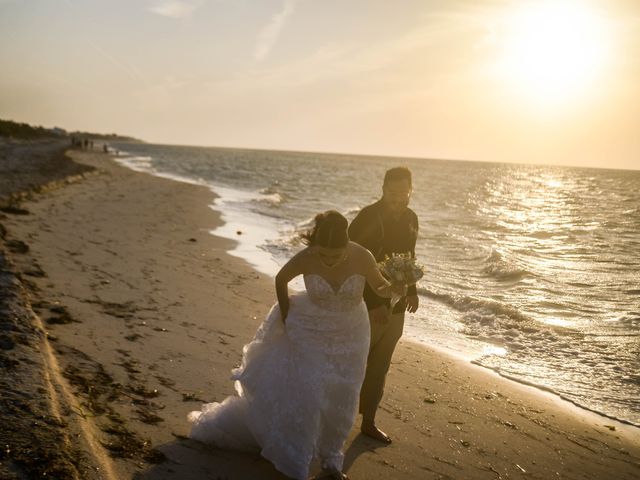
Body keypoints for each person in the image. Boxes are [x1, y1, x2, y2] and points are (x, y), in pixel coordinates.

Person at [188, 210, 404, 480]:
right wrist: (287, 312)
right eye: (322, 254)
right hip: (310, 328)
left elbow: (381, 287)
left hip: (351, 332)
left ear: (346, 245)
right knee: (311, 390)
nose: (327, 260)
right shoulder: (307, 256)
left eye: (334, 255)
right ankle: (297, 461)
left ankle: (331, 462)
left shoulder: (362, 256)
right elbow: (281, 279)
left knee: (343, 394)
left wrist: (398, 286)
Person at [348, 166, 420, 444]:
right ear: (383, 189)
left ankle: (369, 422)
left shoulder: (412, 218)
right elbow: (353, 259)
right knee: (354, 363)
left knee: (381, 364)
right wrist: (375, 301)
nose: (398, 198)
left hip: (397, 303)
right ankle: (334, 418)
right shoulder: (368, 216)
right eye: (393, 192)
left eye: (404, 192)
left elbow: (410, 256)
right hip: (365, 304)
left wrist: (412, 290)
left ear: (410, 191)